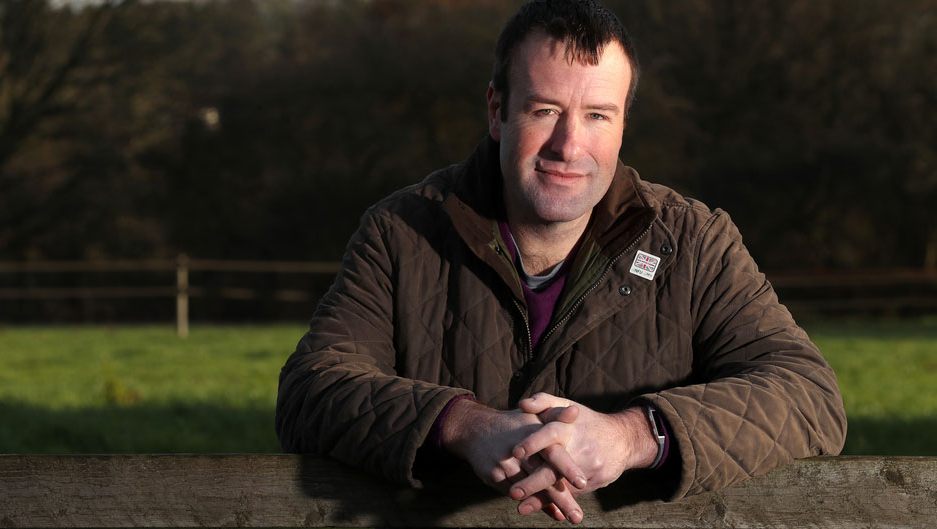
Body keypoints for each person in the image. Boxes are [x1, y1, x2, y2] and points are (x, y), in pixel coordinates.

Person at [276, 0, 846, 523]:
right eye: (546, 110)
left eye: (598, 115)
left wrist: (630, 437)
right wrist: (463, 426)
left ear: (624, 122)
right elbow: (311, 390)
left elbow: (808, 394)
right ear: (498, 110)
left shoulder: (694, 243)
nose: (569, 146)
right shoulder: (401, 233)